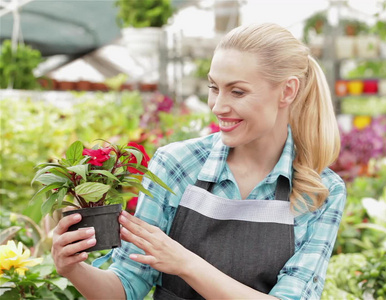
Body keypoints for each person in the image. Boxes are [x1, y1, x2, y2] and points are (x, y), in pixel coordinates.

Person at [51, 22, 346, 299]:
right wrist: (73, 268)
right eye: (214, 88)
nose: (218, 106)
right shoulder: (177, 165)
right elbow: (127, 285)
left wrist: (185, 264)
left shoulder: (321, 191)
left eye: (237, 91)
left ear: (287, 91)